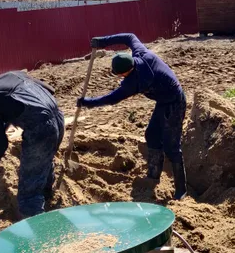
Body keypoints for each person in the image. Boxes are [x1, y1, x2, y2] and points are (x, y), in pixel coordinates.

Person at [77, 33, 188, 200]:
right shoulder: (140, 53)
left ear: (124, 72)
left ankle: (181, 190)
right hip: (163, 101)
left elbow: (112, 99)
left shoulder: (134, 83)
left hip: (175, 102)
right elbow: (129, 37)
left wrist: (88, 102)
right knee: (152, 135)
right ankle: (153, 176)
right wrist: (103, 42)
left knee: (171, 147)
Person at [0, 67, 65, 219]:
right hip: (58, 119)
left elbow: (1, 144)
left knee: (28, 196)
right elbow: (48, 90)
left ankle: (37, 224)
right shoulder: (12, 75)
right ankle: (47, 197)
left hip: (40, 129)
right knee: (43, 163)